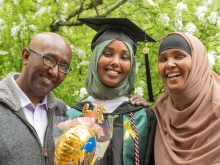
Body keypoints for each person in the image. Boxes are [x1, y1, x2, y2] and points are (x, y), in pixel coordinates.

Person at [0, 32, 147, 165]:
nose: (54, 71)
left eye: (63, 66)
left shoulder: (60, 111)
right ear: (26, 56)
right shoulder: (74, 114)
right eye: (49, 60)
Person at [65, 18, 157, 165]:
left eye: (124, 57)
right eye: (107, 54)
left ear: (131, 65)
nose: (116, 62)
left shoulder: (142, 117)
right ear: (95, 58)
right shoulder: (72, 116)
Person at [152, 32, 220, 165]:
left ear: (197, 62)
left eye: (179, 56)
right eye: (163, 59)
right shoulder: (159, 114)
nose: (169, 64)